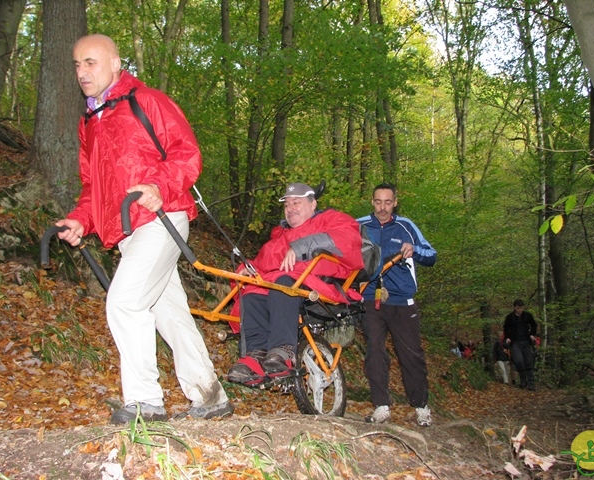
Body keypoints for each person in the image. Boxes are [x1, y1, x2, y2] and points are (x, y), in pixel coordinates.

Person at [56, 34, 232, 424]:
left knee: (125, 302)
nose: (82, 72)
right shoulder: (91, 120)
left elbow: (188, 155)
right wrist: (79, 220)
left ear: (116, 63)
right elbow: (93, 186)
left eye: (90, 62)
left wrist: (159, 186)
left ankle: (145, 401)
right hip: (129, 231)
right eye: (77, 65)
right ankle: (210, 395)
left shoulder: (147, 101)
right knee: (169, 313)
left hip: (163, 219)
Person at [227, 182, 364, 385]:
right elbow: (260, 264)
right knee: (253, 292)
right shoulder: (279, 238)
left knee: (283, 283)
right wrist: (245, 271)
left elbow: (348, 239)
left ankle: (283, 351)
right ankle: (255, 355)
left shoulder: (331, 220)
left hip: (319, 285)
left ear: (313, 204)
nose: (290, 208)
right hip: (285, 286)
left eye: (296, 202)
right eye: (287, 204)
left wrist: (302, 247)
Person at [357, 183, 437, 427]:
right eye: (378, 202)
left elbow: (431, 255)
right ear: (372, 202)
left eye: (388, 202)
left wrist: (414, 251)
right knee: (375, 351)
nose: (383, 207)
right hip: (369, 297)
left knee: (411, 354)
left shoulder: (406, 226)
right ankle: (381, 405)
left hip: (403, 300)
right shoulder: (359, 225)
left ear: (395, 202)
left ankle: (421, 406)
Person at [503, 299, 537, 390]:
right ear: (514, 307)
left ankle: (531, 383)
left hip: (526, 340)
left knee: (528, 361)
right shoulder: (510, 317)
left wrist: (532, 334)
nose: (520, 310)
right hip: (515, 342)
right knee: (518, 361)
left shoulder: (528, 316)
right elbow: (506, 328)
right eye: (518, 308)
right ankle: (523, 380)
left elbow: (534, 325)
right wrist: (507, 337)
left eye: (521, 308)